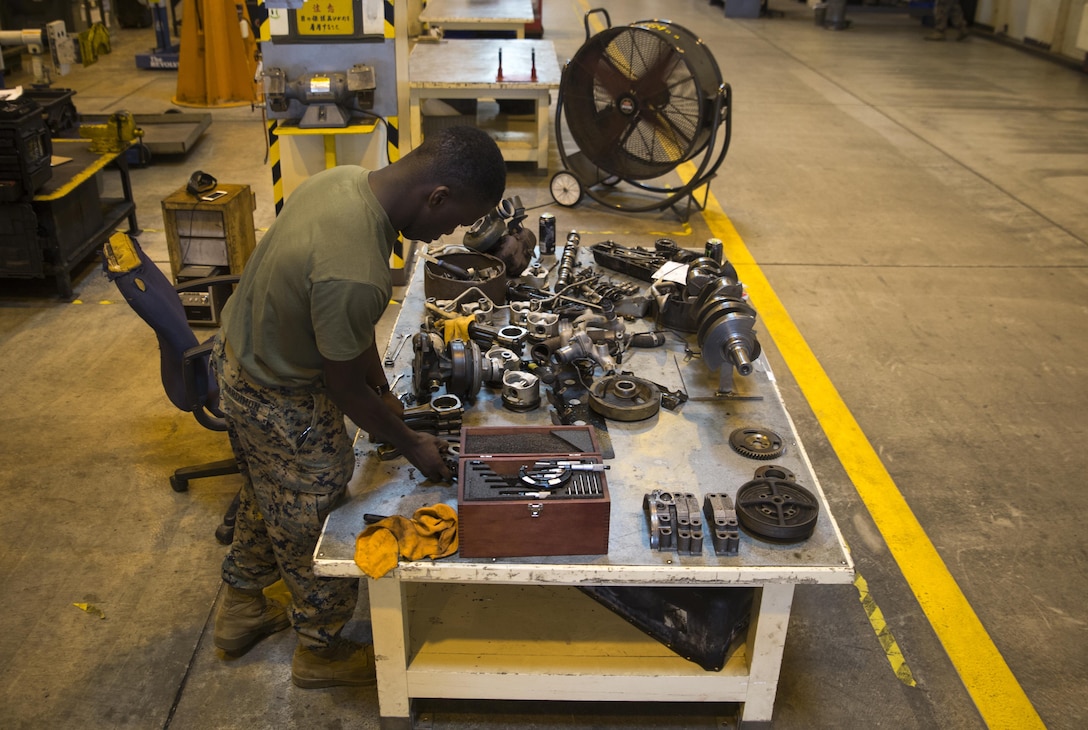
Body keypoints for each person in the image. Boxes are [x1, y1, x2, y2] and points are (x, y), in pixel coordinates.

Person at [209, 126, 511, 688]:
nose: (448, 232)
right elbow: (342, 387)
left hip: (239, 364)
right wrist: (412, 442)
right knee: (312, 506)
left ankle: (242, 609)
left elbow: (345, 338)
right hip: (280, 395)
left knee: (267, 489)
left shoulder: (344, 182)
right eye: (451, 221)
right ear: (437, 197)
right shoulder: (356, 271)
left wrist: (383, 391)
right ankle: (319, 651)